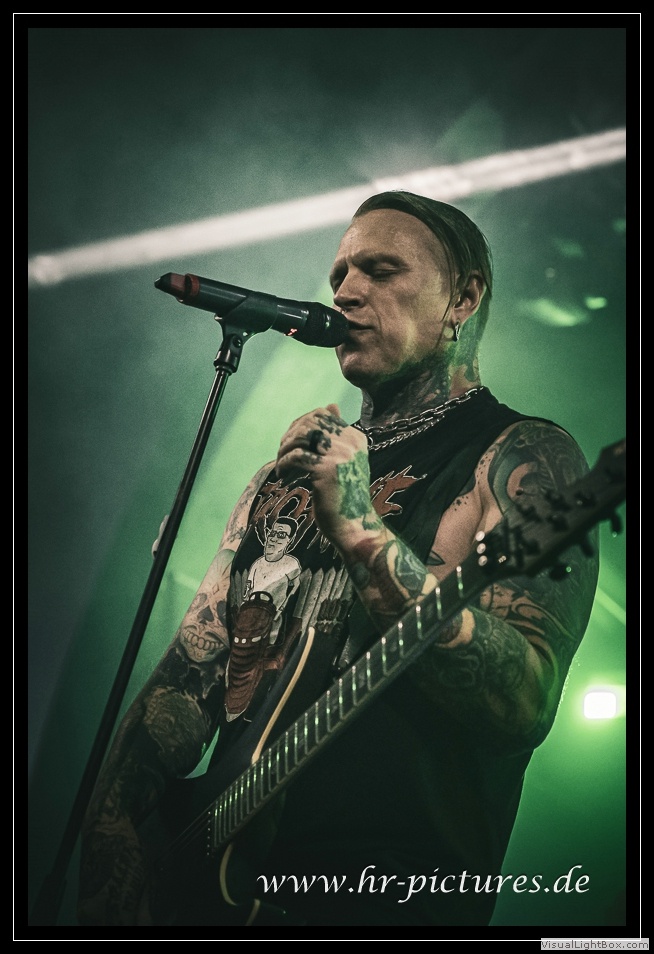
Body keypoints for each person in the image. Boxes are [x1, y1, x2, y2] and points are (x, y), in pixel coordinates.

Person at [77, 191, 600, 928]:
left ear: (463, 298)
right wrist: (109, 837)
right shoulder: (280, 479)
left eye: (381, 271)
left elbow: (525, 701)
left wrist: (358, 526)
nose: (347, 292)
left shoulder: (523, 457)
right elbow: (190, 674)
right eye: (340, 276)